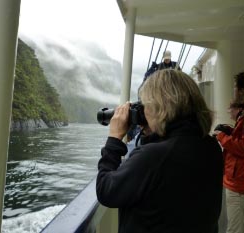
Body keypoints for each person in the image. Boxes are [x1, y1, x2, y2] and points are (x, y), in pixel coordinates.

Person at [96, 70, 224, 233]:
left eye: (146, 105)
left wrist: (114, 139)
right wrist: (153, 131)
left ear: (159, 107)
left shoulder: (152, 157)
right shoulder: (211, 146)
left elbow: (106, 191)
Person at [214, 72, 244, 233]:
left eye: (235, 87)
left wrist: (222, 136)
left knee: (235, 228)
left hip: (239, 183)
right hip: (237, 181)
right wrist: (231, 131)